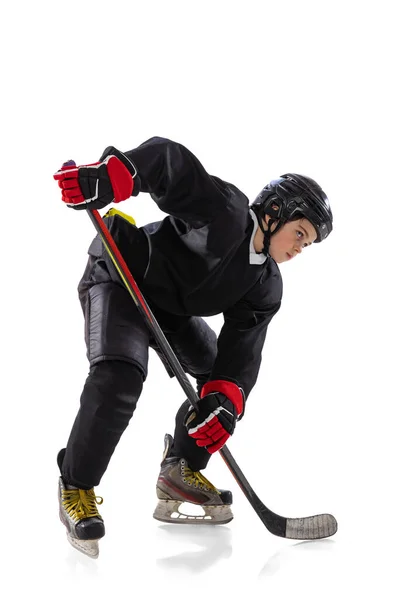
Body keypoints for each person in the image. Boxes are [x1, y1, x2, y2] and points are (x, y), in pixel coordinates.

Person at [53, 136, 333, 558]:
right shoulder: (227, 211)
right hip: (121, 276)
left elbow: (240, 355)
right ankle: (76, 485)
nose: (298, 248)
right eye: (300, 233)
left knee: (216, 389)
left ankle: (180, 469)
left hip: (169, 308)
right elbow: (172, 165)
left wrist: (225, 404)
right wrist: (112, 177)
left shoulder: (266, 285)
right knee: (120, 377)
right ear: (274, 212)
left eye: (306, 244)